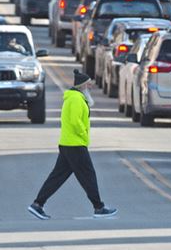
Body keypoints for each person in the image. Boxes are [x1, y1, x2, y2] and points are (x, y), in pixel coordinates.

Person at [28, 69, 117, 219]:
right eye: (88, 84)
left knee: (57, 177)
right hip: (75, 144)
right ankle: (99, 207)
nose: (90, 87)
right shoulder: (76, 99)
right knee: (88, 175)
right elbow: (76, 121)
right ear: (82, 85)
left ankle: (37, 204)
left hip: (68, 144)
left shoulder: (74, 98)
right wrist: (83, 134)